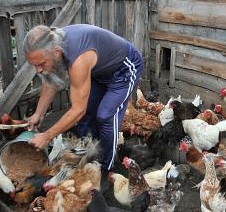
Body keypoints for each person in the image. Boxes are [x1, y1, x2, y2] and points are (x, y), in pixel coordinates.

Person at [23, 24, 143, 190]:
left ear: (56, 52)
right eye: (33, 64)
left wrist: (47, 136)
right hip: (100, 72)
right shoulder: (51, 46)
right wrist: (38, 113)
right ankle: (91, 156)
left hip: (124, 69)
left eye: (41, 63)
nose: (38, 70)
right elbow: (50, 82)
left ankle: (108, 167)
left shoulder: (78, 59)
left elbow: (78, 110)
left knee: (105, 115)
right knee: (88, 116)